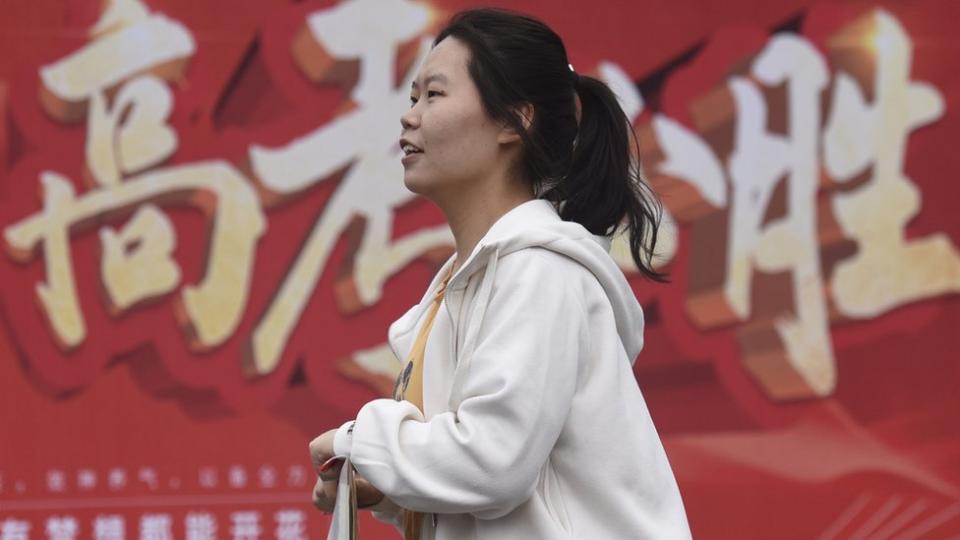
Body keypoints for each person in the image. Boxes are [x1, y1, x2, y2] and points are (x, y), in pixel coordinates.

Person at [309, 7, 691, 539]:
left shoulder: (539, 270)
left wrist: (359, 441)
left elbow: (492, 463)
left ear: (515, 120)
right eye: (412, 96)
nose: (410, 115)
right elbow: (501, 487)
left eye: (434, 95)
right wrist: (383, 483)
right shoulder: (466, 284)